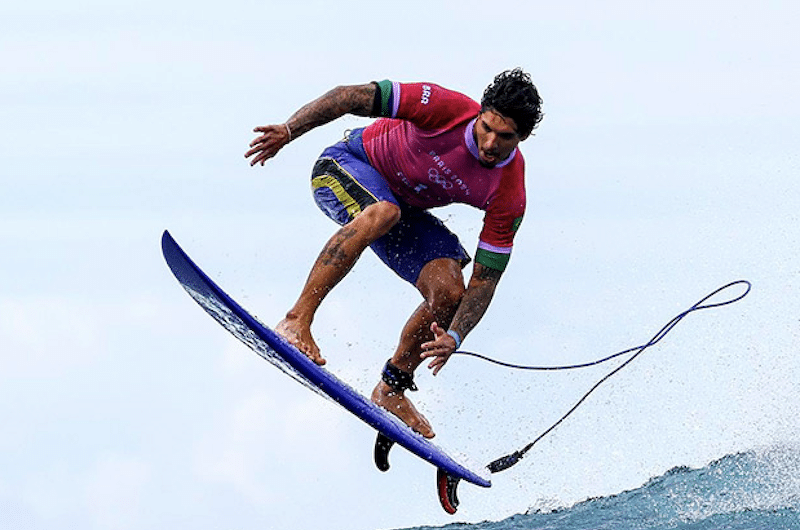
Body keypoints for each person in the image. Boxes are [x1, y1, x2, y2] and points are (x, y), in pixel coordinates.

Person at [245, 69, 543, 438]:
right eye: (486, 128)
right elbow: (347, 97)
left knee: (450, 292)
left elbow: (486, 278)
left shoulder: (509, 191)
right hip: (344, 167)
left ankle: (392, 386)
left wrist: (457, 336)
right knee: (384, 212)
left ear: (523, 137)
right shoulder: (443, 107)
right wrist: (289, 131)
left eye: (505, 137)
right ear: (479, 114)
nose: (490, 143)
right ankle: (296, 320)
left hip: (402, 211)